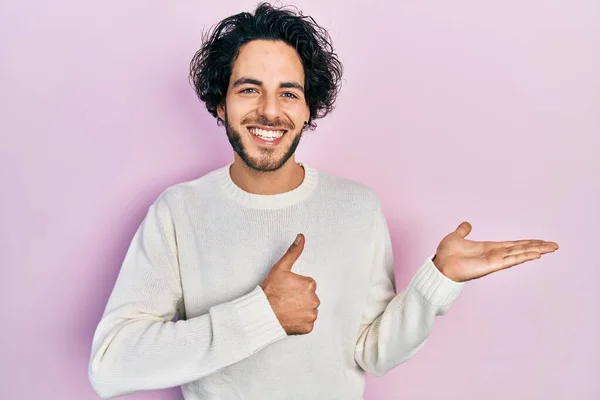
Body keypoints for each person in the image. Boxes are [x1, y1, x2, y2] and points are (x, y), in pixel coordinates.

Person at [87, 3, 559, 399]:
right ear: (219, 103)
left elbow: (372, 350)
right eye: (249, 89)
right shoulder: (178, 211)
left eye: (288, 93)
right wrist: (262, 314)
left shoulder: (356, 207)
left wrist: (436, 282)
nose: (270, 110)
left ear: (309, 108)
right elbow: (111, 365)